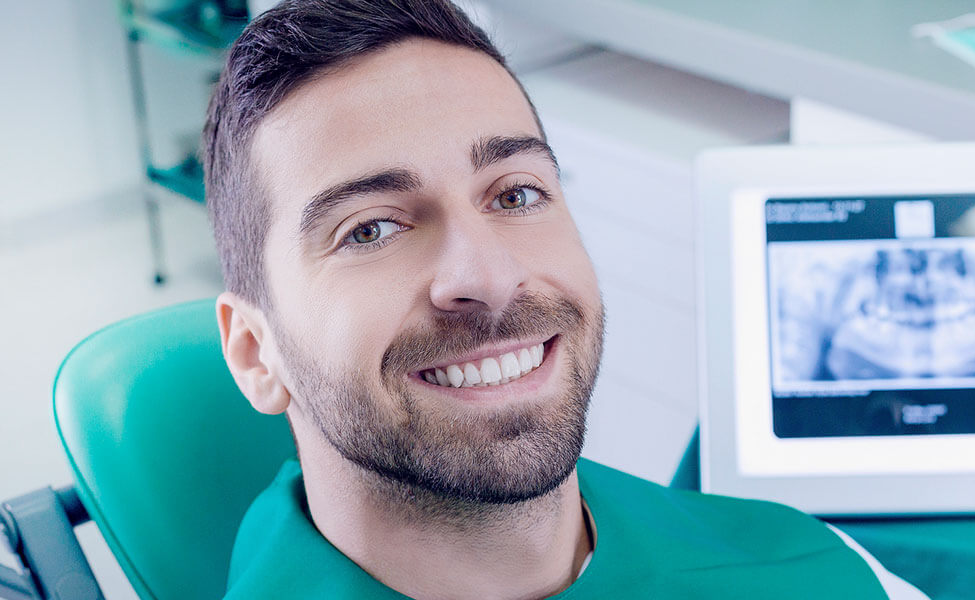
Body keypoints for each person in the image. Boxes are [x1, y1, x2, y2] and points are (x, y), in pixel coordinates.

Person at [204, 1, 928, 597]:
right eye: (371, 229)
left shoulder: (819, 567)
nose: (487, 277)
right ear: (254, 353)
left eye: (516, 193)